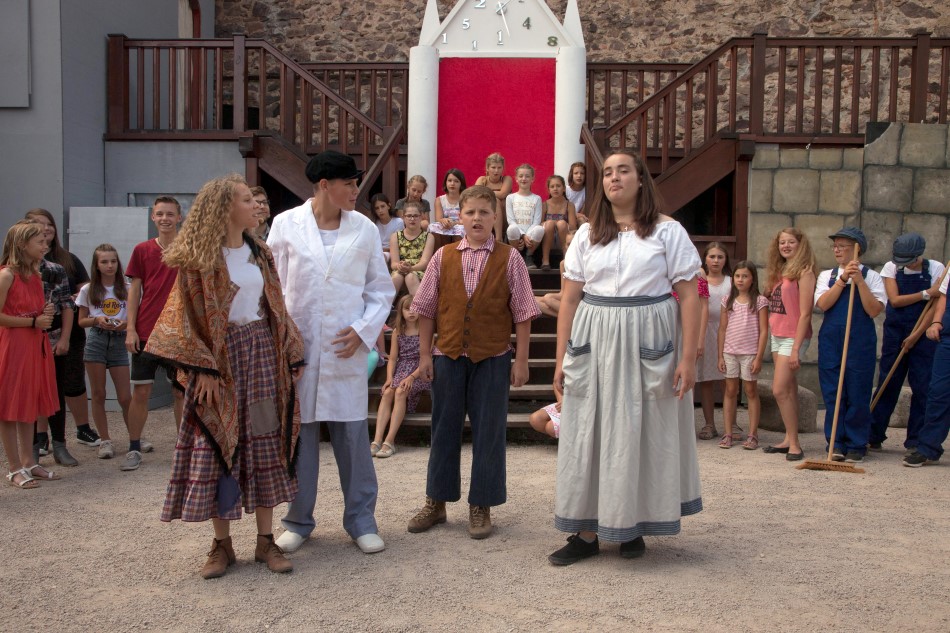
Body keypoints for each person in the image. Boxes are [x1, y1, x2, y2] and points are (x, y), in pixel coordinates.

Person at [146, 174, 305, 578]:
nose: (256, 206)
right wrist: (203, 368)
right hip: (219, 362)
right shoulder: (199, 257)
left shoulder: (260, 252)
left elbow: (276, 306)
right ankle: (222, 544)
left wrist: (291, 353)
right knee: (217, 444)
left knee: (266, 443)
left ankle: (265, 541)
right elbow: (182, 316)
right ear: (225, 208)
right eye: (246, 200)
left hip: (262, 356)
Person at [548, 149, 702, 567]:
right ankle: (586, 533)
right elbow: (569, 300)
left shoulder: (668, 232)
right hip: (594, 339)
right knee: (589, 431)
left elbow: (690, 296)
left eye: (623, 170)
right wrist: (561, 359)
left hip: (649, 338)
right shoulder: (587, 234)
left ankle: (633, 524)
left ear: (640, 179)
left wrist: (688, 358)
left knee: (642, 430)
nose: (614, 177)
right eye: (608, 173)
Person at [268, 150, 394, 555]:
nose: (357, 190)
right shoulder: (285, 225)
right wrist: (282, 338)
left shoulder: (365, 229)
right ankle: (297, 520)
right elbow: (272, 286)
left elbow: (380, 290)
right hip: (299, 348)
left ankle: (361, 521)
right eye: (350, 184)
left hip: (345, 349)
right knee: (300, 439)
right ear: (325, 185)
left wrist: (363, 330)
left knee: (353, 438)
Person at [407, 184, 539, 540]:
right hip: (447, 355)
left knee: (489, 431)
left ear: (495, 217)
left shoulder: (510, 258)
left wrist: (521, 360)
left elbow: (523, 312)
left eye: (484, 212)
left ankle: (481, 504)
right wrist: (424, 355)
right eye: (470, 212)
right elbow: (426, 309)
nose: (477, 218)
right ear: (459, 218)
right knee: (443, 429)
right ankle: (436, 501)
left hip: (493, 357)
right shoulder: (443, 257)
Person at [25, 209, 92, 467]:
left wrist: (64, 338)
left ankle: (60, 444)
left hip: (56, 337)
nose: (44, 233)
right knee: (31, 392)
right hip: (26, 337)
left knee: (56, 389)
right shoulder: (12, 270)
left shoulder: (59, 267)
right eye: (37, 228)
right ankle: (33, 446)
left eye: (48, 225)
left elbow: (67, 304)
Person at [122, 198, 183, 471]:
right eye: (160, 214)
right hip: (147, 330)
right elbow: (134, 291)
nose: (165, 218)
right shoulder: (142, 250)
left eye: (170, 214)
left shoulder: (188, 249)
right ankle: (134, 447)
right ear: (153, 218)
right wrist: (130, 328)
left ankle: (183, 449)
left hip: (179, 332)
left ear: (179, 217)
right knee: (141, 391)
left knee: (181, 393)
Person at [815, 227, 886, 464]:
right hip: (831, 340)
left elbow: (874, 310)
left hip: (860, 341)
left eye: (842, 246)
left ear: (857, 249)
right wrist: (843, 279)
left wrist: (859, 281)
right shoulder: (827, 276)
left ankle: (856, 443)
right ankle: (835, 442)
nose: (836, 250)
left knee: (858, 391)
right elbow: (823, 304)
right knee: (833, 391)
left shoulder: (872, 276)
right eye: (835, 246)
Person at [869, 233, 945, 453]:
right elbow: (895, 300)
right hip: (895, 333)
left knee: (922, 386)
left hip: (923, 334)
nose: (906, 264)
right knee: (888, 382)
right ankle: (873, 434)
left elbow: (935, 307)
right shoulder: (891, 268)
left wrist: (915, 336)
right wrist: (926, 293)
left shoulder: (936, 268)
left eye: (910, 260)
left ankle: (915, 440)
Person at [0, 221, 58, 488]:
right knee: (9, 407)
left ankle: (28, 461)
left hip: (34, 344)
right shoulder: (6, 275)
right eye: (40, 242)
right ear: (23, 245)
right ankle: (14, 468)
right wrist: (33, 322)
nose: (46, 246)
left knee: (28, 404)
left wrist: (43, 314)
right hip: (13, 345)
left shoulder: (35, 275)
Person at [762, 227, 816, 461]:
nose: (785, 246)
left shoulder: (805, 272)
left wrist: (796, 349)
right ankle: (788, 438)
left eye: (791, 242)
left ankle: (795, 445)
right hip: (778, 334)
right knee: (789, 390)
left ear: (800, 244)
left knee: (779, 389)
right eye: (782, 242)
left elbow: (805, 314)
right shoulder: (781, 270)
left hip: (794, 337)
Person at [76, 244, 132, 460]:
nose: (110, 265)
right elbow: (81, 321)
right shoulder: (88, 289)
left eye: (113, 261)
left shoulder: (127, 288)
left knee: (125, 396)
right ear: (97, 265)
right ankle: (105, 439)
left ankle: (135, 437)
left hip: (119, 340)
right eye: (105, 262)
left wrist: (125, 324)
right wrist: (97, 320)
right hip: (97, 339)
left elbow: (135, 318)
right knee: (98, 393)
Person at [371, 294, 431, 459]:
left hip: (420, 372)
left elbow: (427, 359)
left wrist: (411, 377)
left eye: (414, 308)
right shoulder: (398, 332)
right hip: (402, 370)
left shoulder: (425, 330)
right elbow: (392, 358)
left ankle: (389, 441)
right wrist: (389, 378)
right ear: (401, 312)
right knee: (387, 392)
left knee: (400, 392)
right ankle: (377, 440)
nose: (411, 312)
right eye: (407, 309)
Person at [717, 261, 769, 449]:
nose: (740, 280)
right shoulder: (727, 300)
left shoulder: (760, 301)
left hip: (750, 353)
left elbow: (764, 330)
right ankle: (728, 433)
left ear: (752, 279)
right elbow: (722, 329)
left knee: (750, 391)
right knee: (730, 391)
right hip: (729, 352)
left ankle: (753, 435)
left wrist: (759, 357)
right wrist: (720, 356)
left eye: (745, 276)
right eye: (737, 276)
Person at [903, 269, 950, 467]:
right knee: (938, 393)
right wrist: (937, 321)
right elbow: (944, 297)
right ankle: (928, 448)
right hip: (948, 339)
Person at [696, 243, 733, 440]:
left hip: (727, 332)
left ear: (726, 260)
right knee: (706, 380)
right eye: (712, 257)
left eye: (720, 257)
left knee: (728, 380)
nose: (716, 261)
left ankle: (731, 424)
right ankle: (709, 423)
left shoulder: (731, 282)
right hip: (705, 331)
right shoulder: (700, 280)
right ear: (705, 259)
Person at [389, 200, 435, 296]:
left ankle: (419, 305)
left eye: (415, 216)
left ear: (421, 217)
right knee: (396, 277)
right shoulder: (395, 236)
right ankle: (386, 305)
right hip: (400, 269)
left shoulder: (429, 237)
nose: (412, 219)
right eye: (409, 216)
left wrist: (411, 268)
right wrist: (401, 267)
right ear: (403, 217)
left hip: (419, 270)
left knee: (410, 277)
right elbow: (394, 263)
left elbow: (424, 263)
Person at [506, 164, 544, 270]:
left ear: (532, 179)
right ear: (516, 179)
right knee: (512, 228)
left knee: (539, 229)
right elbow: (511, 220)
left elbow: (536, 221)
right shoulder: (510, 198)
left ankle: (528, 256)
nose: (524, 178)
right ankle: (516, 256)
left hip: (530, 235)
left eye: (527, 176)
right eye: (521, 176)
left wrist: (527, 236)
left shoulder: (537, 198)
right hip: (516, 234)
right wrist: (522, 235)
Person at [540, 175, 577, 270]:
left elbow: (573, 227)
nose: (555, 189)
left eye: (558, 186)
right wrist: (551, 224)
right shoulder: (545, 204)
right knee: (549, 224)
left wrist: (560, 224)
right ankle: (545, 260)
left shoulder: (569, 205)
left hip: (563, 237)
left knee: (561, 224)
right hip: (548, 238)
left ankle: (566, 257)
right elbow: (539, 224)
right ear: (549, 190)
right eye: (552, 186)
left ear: (564, 188)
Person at [474, 152, 513, 241]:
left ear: (503, 168)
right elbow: (475, 196)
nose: (496, 171)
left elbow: (502, 194)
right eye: (493, 167)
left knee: (496, 201)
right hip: (485, 216)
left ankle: (499, 238)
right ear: (487, 168)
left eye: (499, 167)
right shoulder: (482, 180)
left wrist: (484, 192)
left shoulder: (507, 179)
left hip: (504, 218)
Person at [430, 169, 466, 243]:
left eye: (456, 181)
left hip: (459, 225)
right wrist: (443, 221)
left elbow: (466, 220)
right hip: (446, 225)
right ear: (445, 183)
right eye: (449, 180)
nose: (452, 183)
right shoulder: (439, 200)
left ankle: (457, 250)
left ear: (461, 184)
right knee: (433, 227)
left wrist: (454, 223)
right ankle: (440, 250)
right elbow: (438, 219)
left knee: (460, 230)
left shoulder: (465, 199)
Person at [370, 193, 404, 263]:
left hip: (392, 252)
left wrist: (383, 250)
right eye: (377, 208)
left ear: (388, 206)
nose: (380, 210)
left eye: (382, 206)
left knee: (381, 257)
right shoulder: (373, 224)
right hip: (376, 252)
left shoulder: (398, 222)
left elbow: (399, 245)